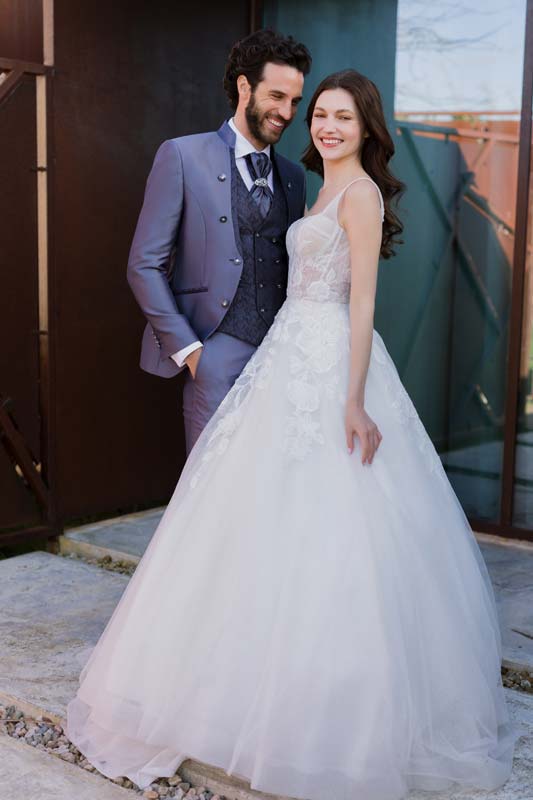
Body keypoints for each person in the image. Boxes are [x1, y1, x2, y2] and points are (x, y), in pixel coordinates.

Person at [66, 69, 520, 800]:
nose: (327, 126)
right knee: (252, 516)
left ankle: (325, 710)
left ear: (367, 129)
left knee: (337, 521)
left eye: (343, 117)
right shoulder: (314, 186)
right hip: (285, 353)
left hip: (331, 359)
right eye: (320, 115)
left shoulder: (362, 195)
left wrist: (354, 399)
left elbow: (362, 302)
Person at [127, 29, 311, 454]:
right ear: (245, 87)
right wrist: (191, 352)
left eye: (295, 102)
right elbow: (144, 264)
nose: (286, 112)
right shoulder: (182, 156)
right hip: (213, 356)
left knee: (275, 477)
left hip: (280, 360)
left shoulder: (294, 177)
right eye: (277, 96)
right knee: (212, 483)